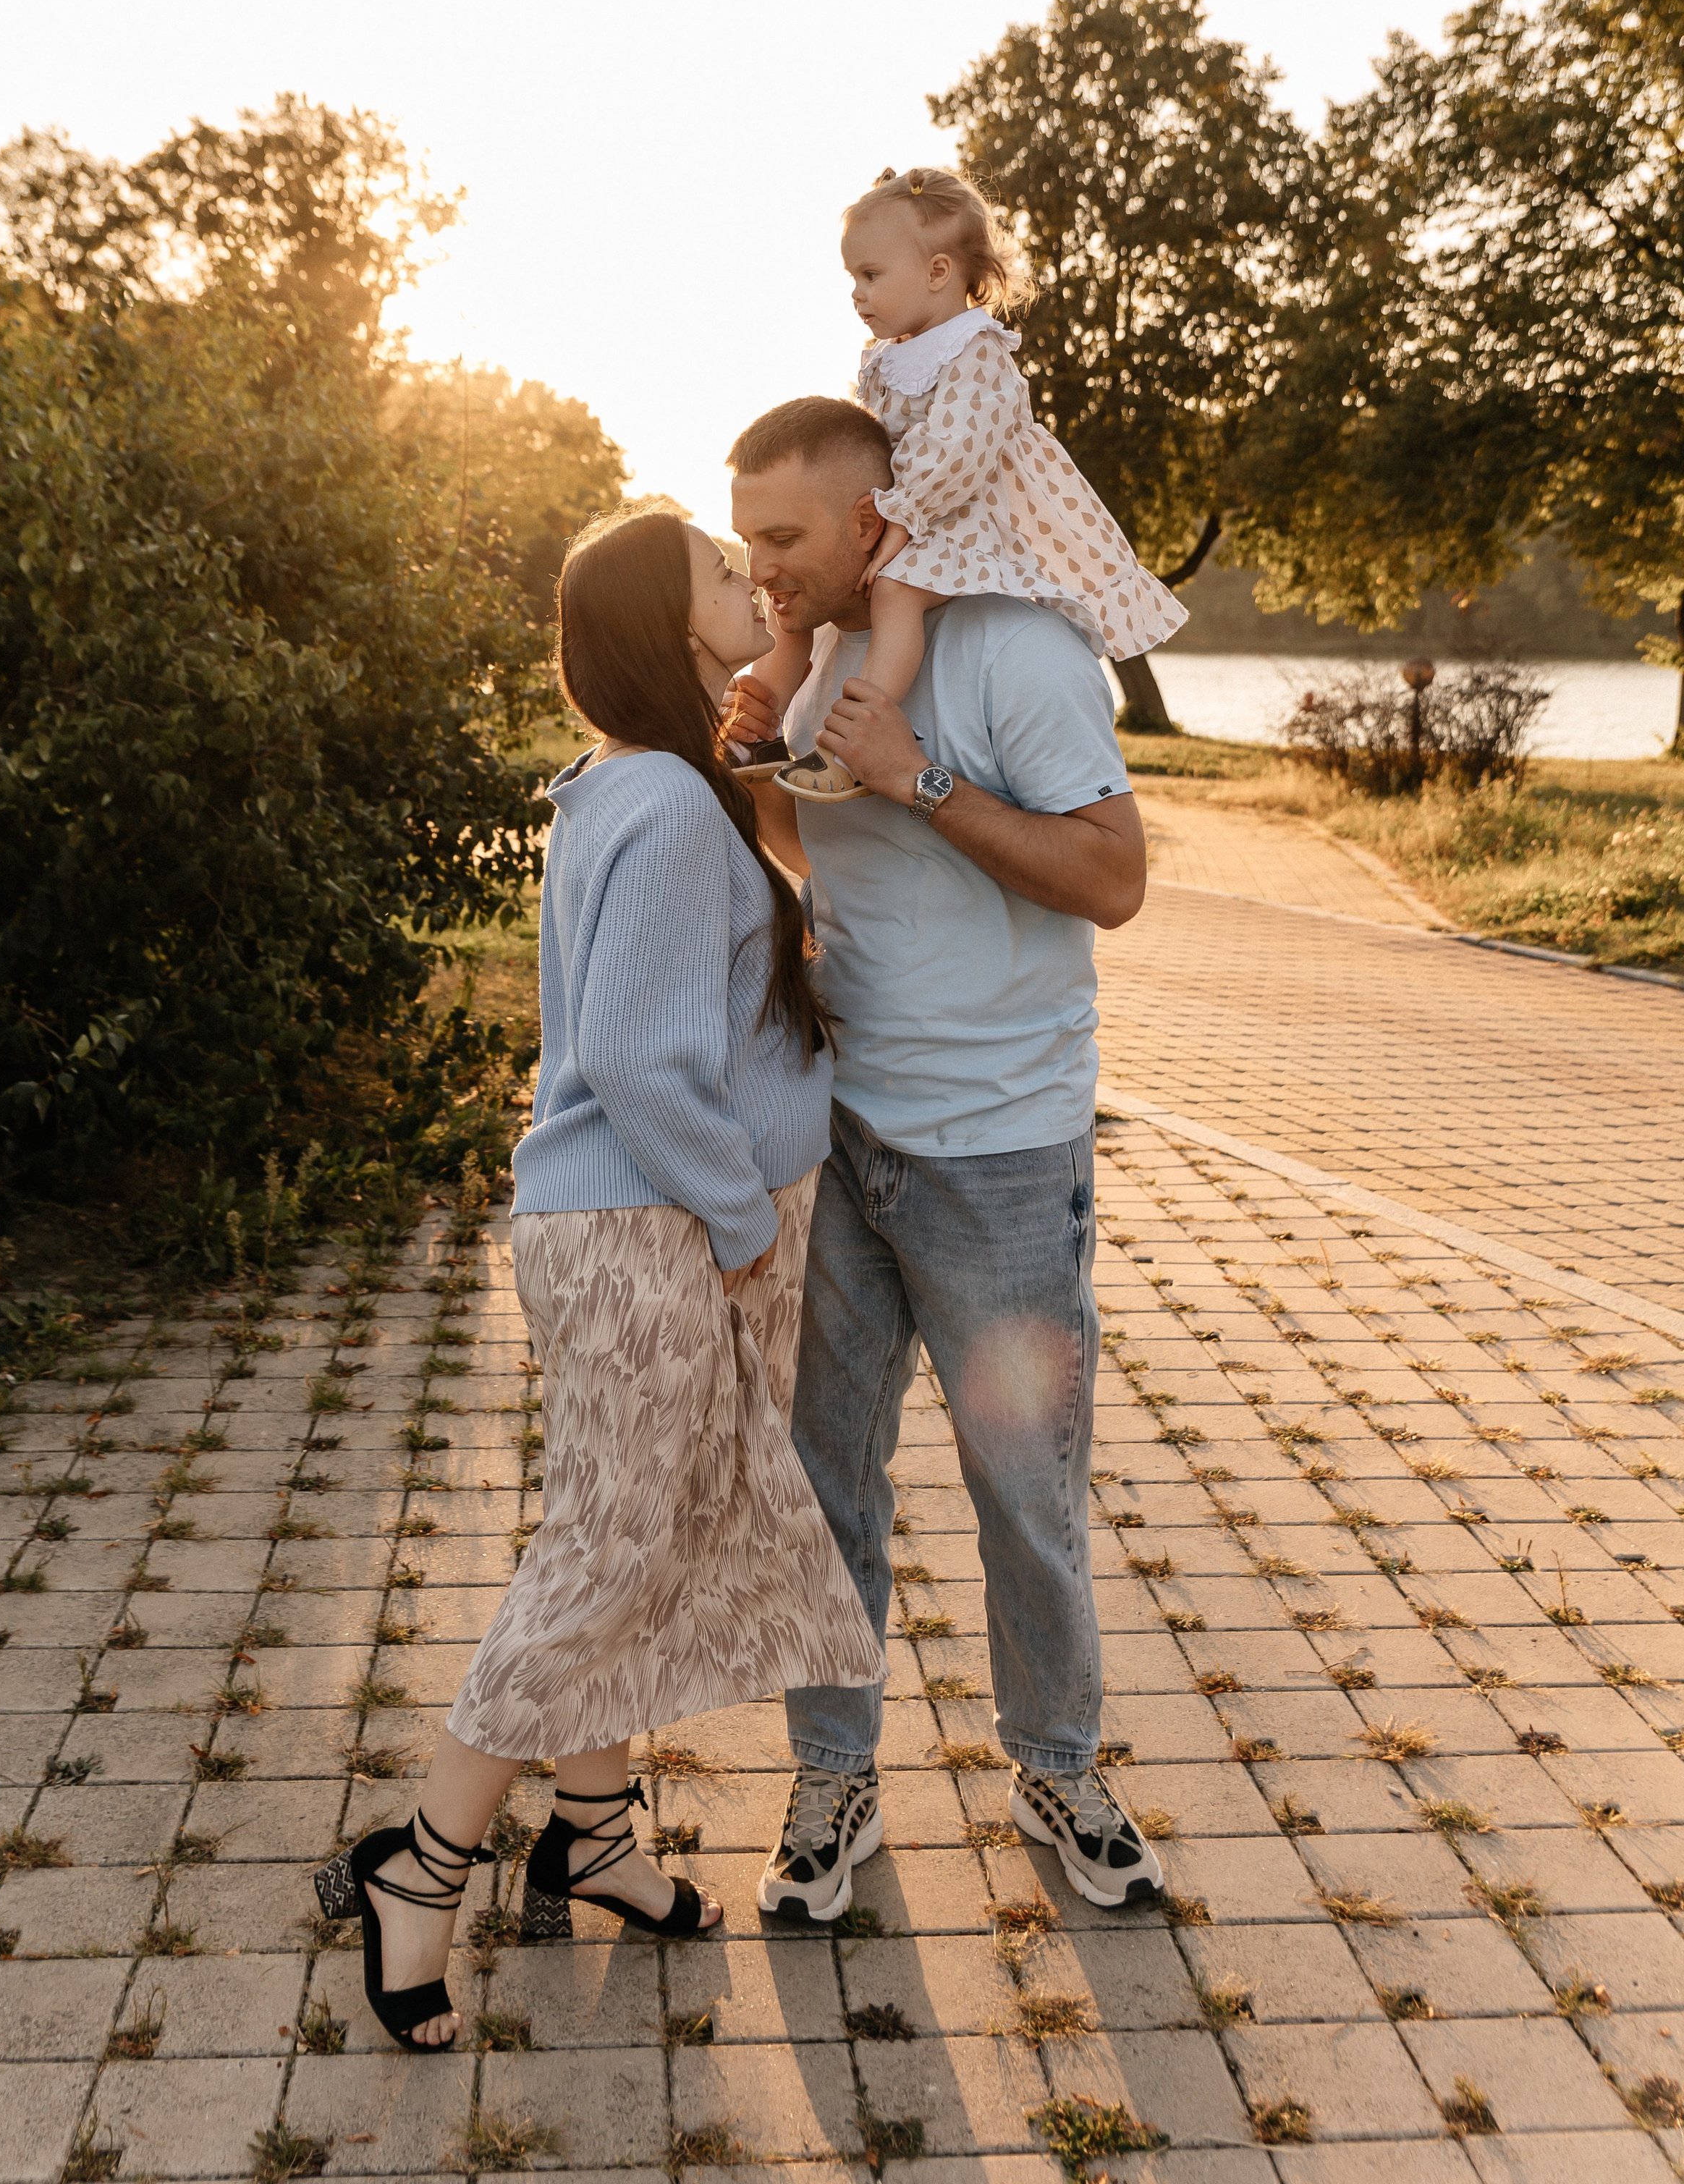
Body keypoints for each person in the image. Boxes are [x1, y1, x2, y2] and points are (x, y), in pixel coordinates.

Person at [315, 504, 883, 2048]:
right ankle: (422, 1873)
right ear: (658, 625)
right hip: (652, 1222)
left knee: (637, 1534)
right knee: (607, 1551)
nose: (746, 582)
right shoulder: (669, 813)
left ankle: (600, 1840)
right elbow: (635, 1056)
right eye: (717, 569)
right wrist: (740, 1215)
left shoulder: (648, 788)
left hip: (644, 1223)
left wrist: (781, 664)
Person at [724, 396, 1165, 1922]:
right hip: (843, 1134)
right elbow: (815, 855)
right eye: (745, 536)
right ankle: (830, 1778)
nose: (757, 566)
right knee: (822, 1483)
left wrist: (921, 775)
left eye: (783, 538)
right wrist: (755, 774)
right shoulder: (813, 660)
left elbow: (1111, 878)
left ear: (871, 524)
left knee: (1019, 1489)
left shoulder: (1017, 651)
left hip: (995, 1157)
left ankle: (1054, 1763)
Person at [765, 166, 1183, 802]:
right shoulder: (890, 355)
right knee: (815, 578)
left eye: (871, 276)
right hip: (910, 507)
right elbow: (873, 442)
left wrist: (900, 517)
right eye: (853, 277)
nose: (857, 293)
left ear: (938, 272)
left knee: (898, 588)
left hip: (962, 512)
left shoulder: (975, 349)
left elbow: (959, 449)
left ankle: (853, 746)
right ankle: (764, 710)